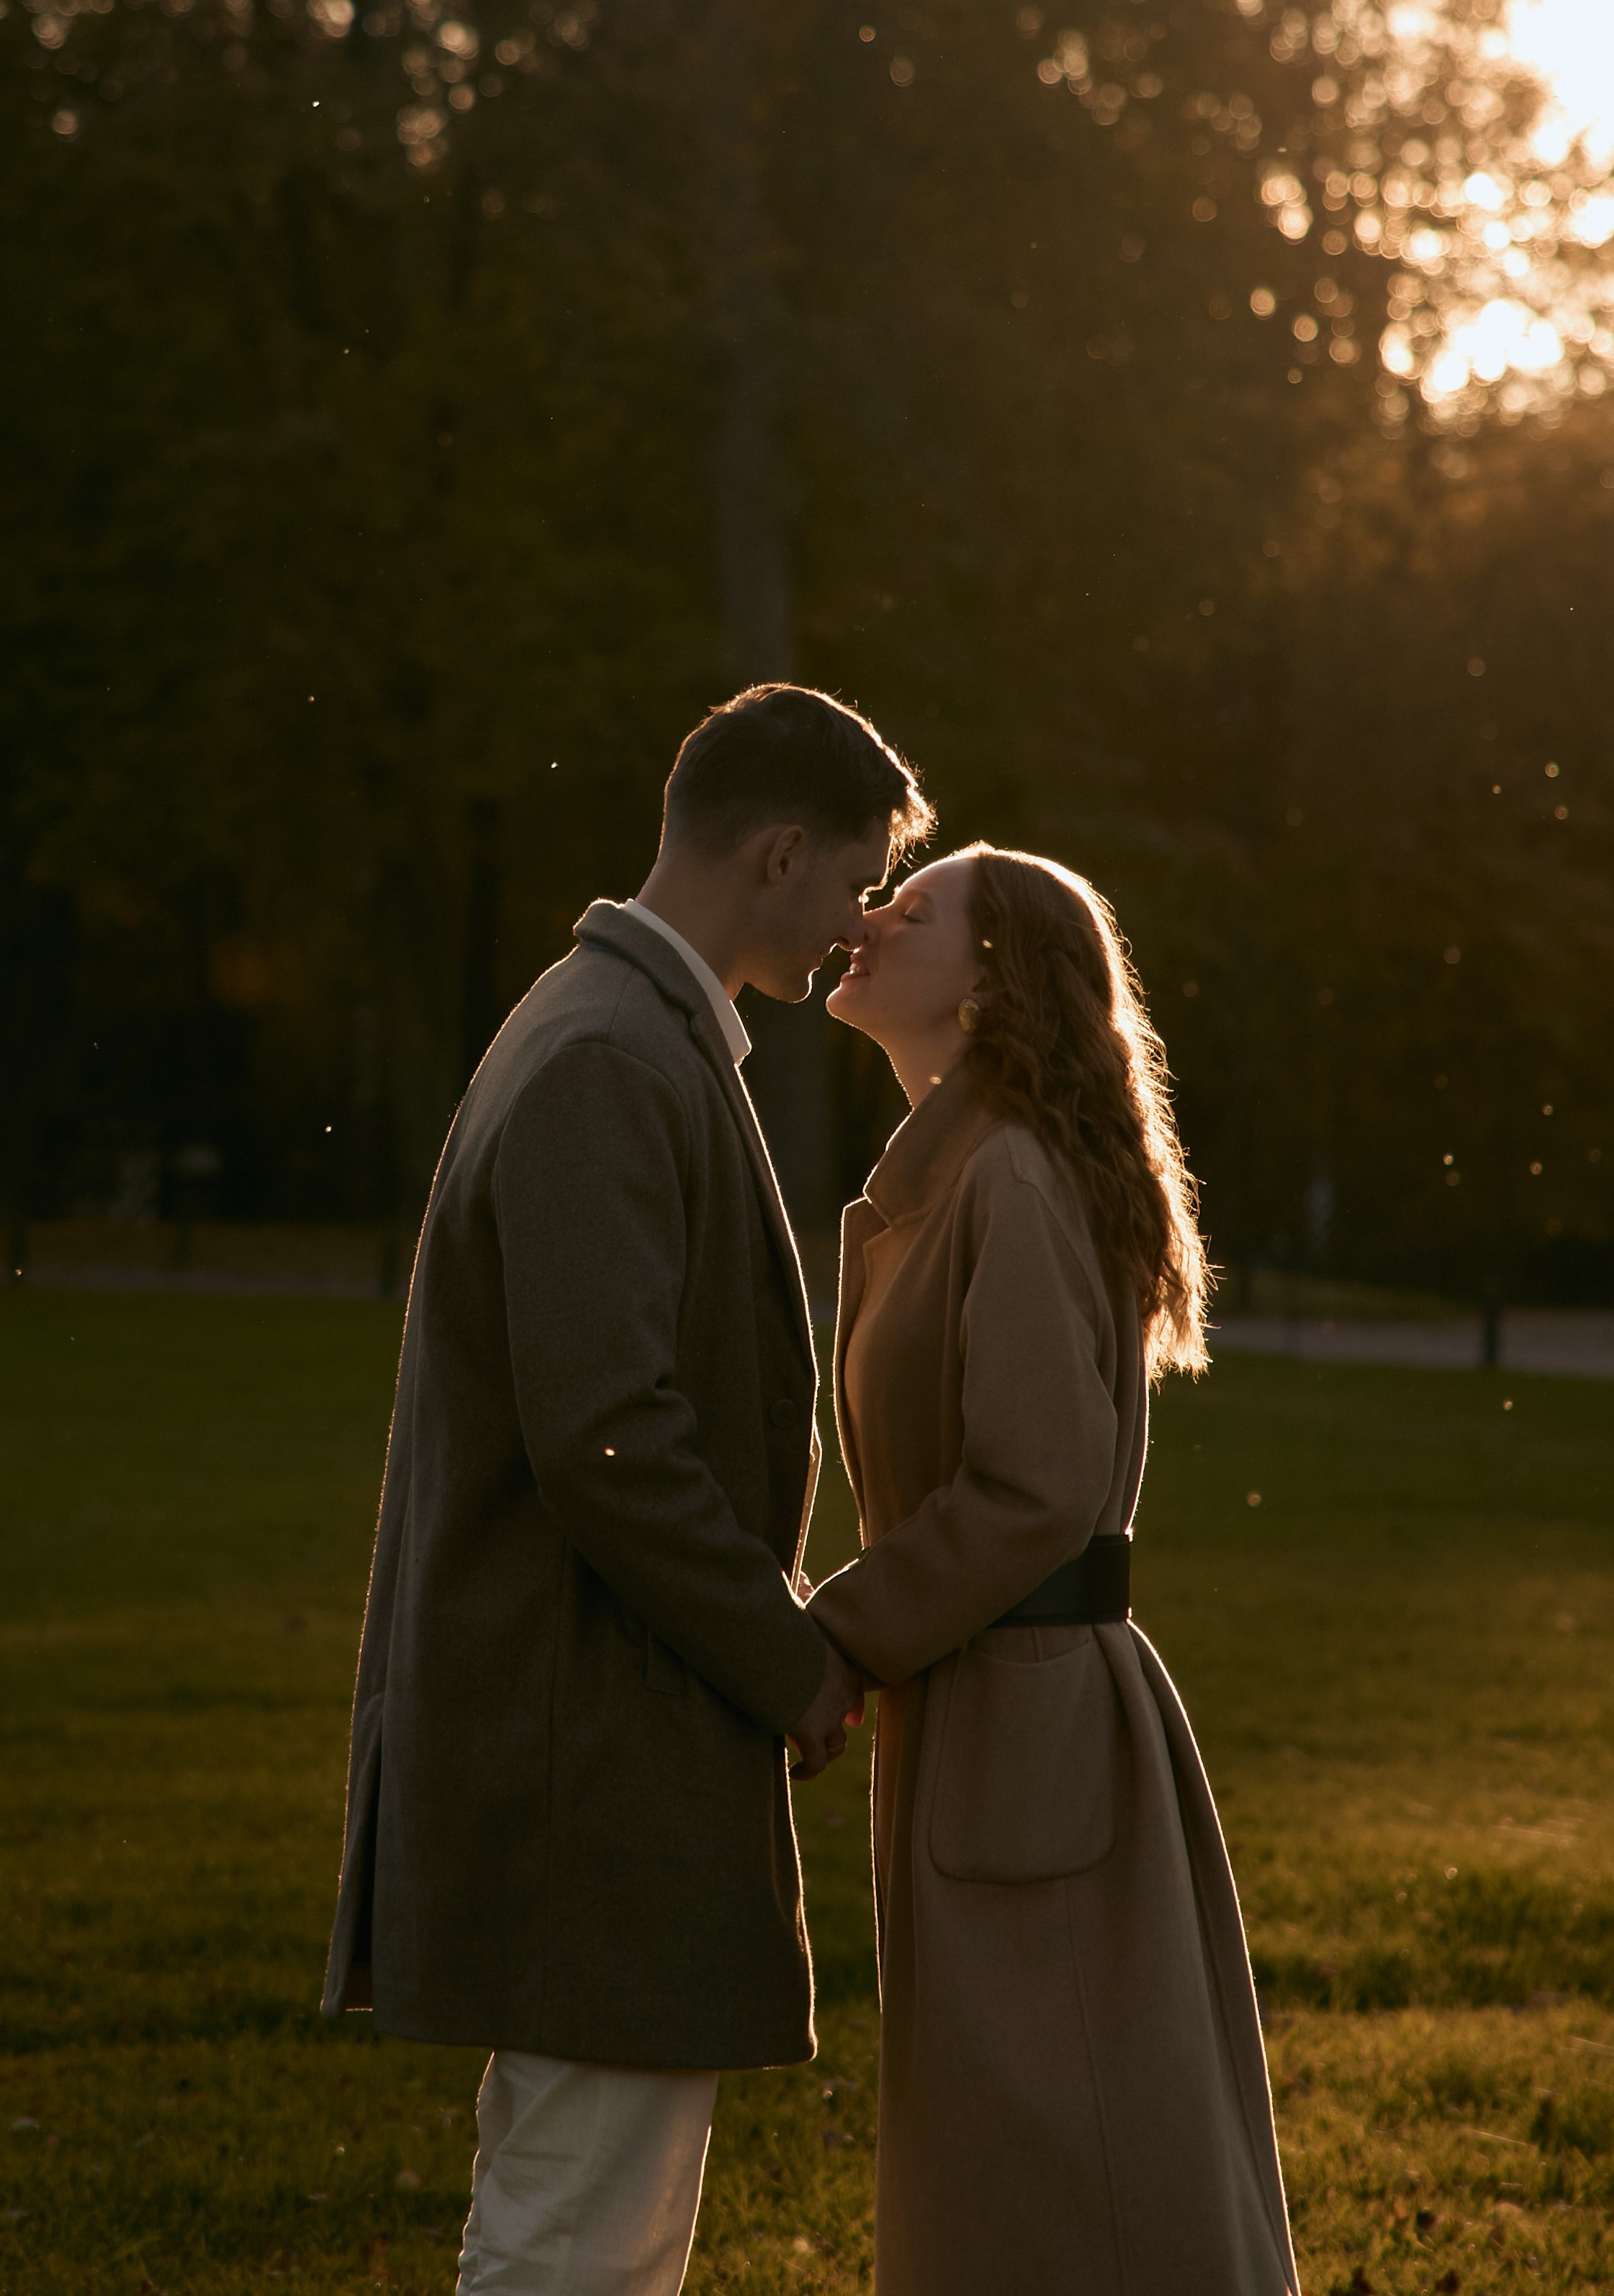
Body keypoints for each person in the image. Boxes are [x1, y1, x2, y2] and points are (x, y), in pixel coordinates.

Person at [321, 683, 934, 2296]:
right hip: (579, 1745)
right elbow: (604, 1434)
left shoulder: (621, 1028)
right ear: (779, 851)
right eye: (856, 881)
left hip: (593, 1730)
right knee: (574, 2243)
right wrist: (785, 1650)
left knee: (591, 2223)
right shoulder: (607, 1053)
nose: (857, 924)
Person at [809, 843, 1299, 2296]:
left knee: (1068, 2182)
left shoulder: (1006, 1171)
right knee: (1018, 2178)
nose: (869, 915)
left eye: (914, 908)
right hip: (985, 1714)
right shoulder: (959, 1164)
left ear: (990, 979)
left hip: (1034, 1728)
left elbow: (1035, 1484)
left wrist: (838, 1635)